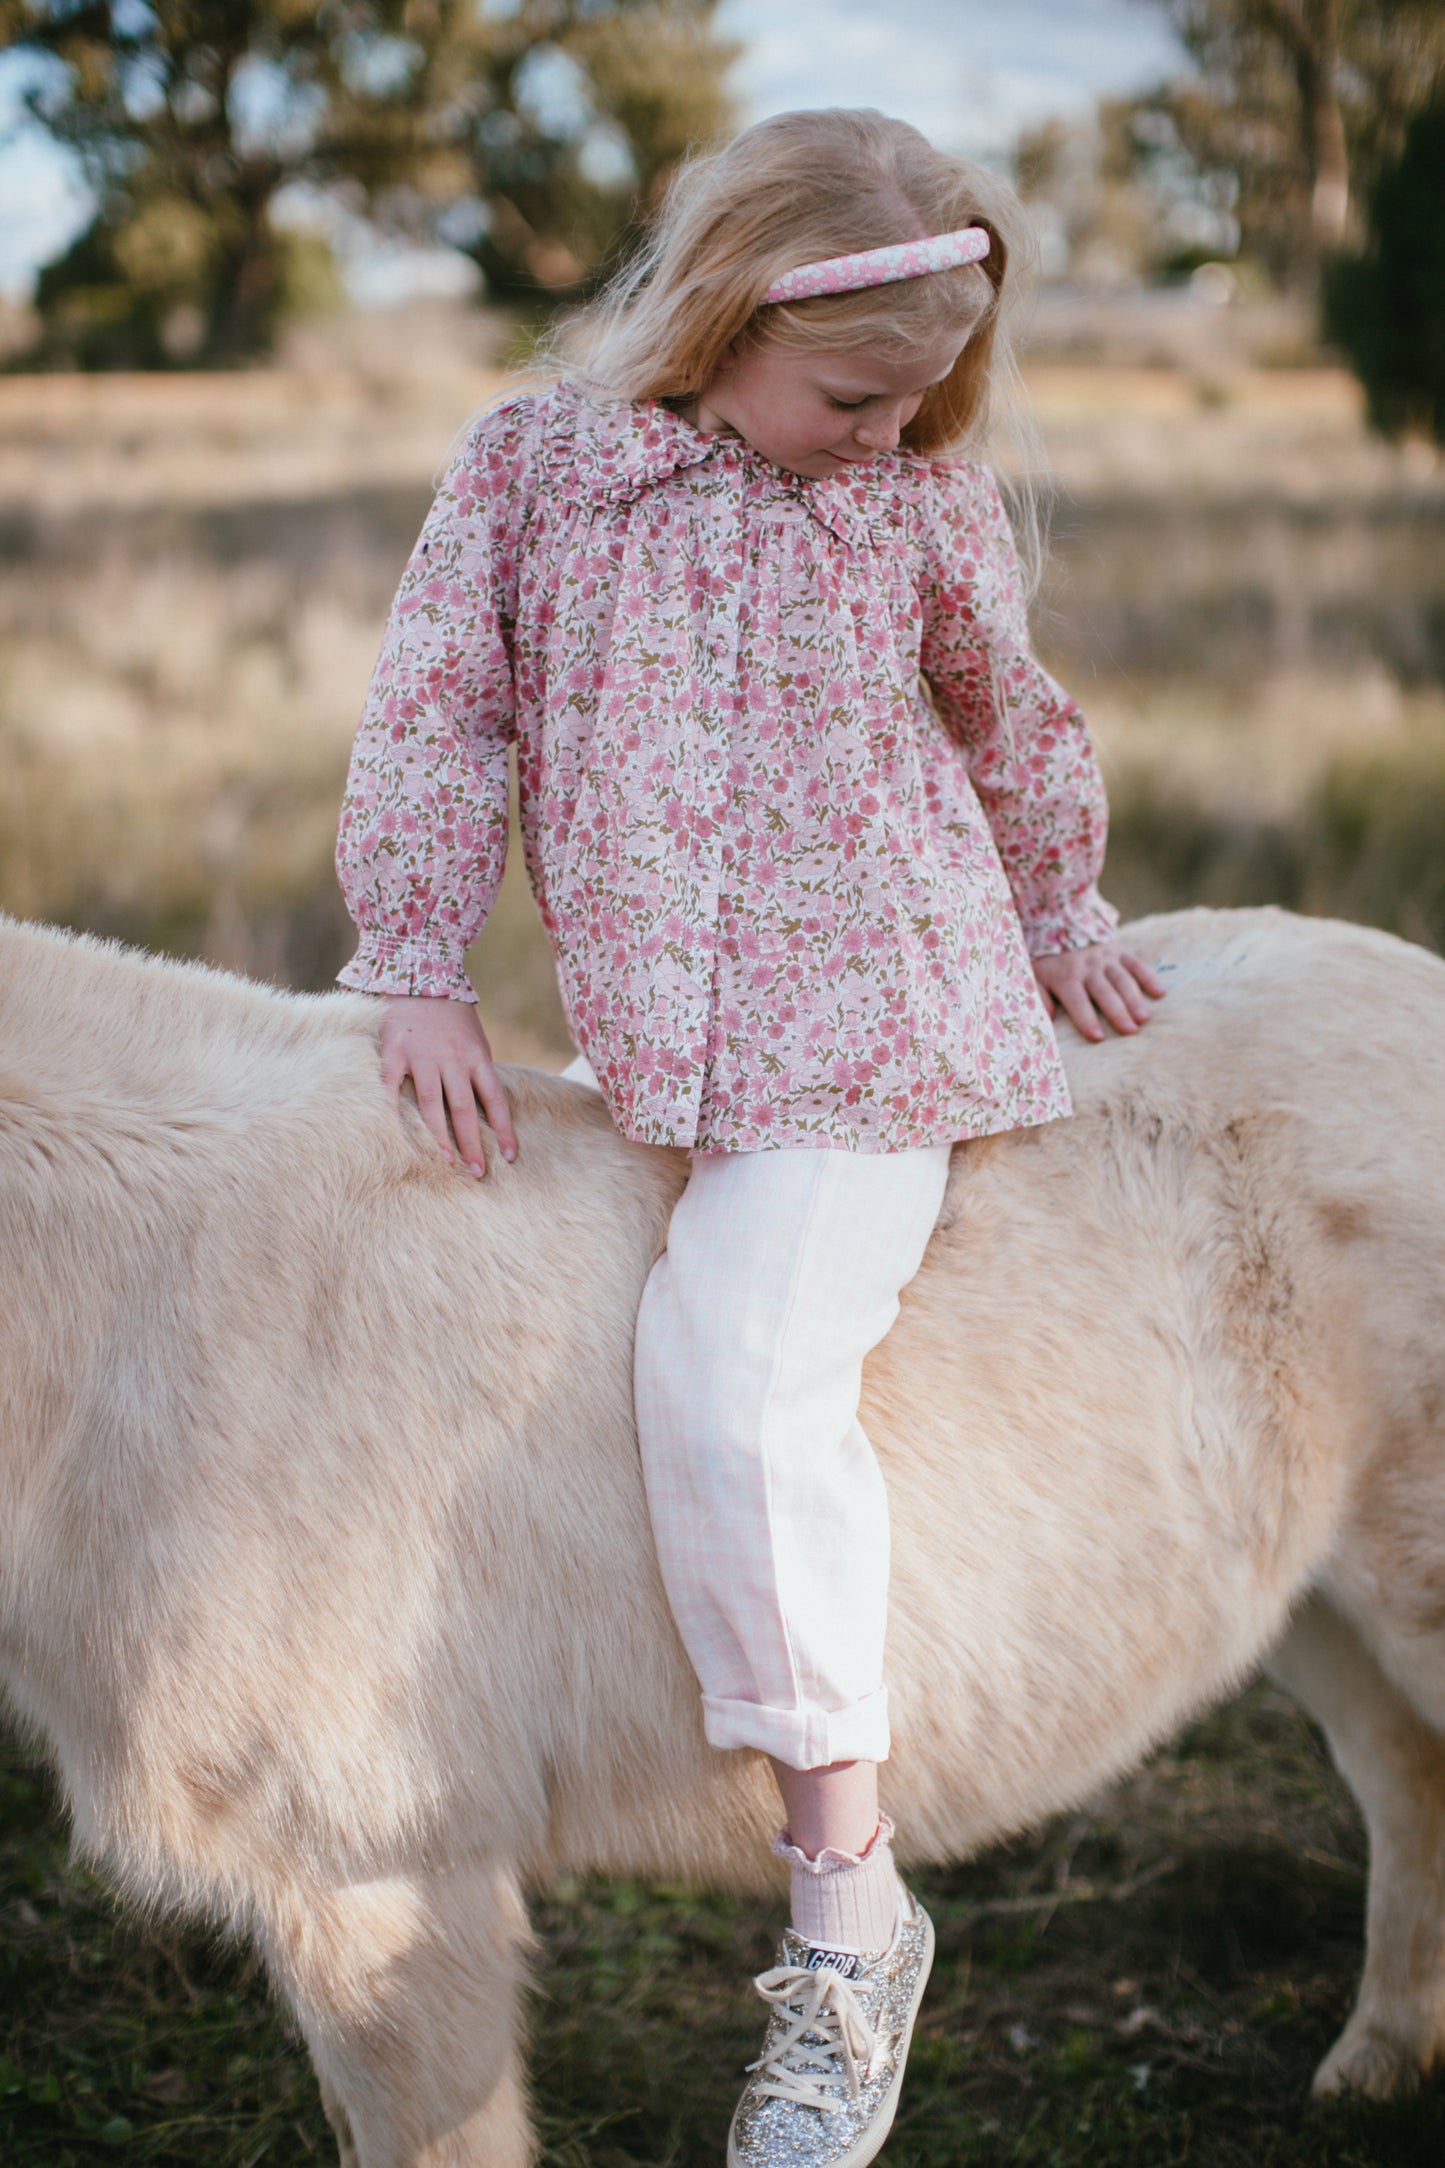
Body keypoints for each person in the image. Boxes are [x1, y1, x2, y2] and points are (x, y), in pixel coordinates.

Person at [336, 105, 1164, 2168]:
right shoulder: (538, 470)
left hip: (879, 1027)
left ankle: (848, 1903)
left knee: (730, 1375)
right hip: (663, 1051)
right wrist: (416, 955)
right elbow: (443, 706)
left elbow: (1011, 714)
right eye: (855, 396)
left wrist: (1059, 902)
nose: (888, 436)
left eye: (920, 405)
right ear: (721, 310)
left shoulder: (912, 510)